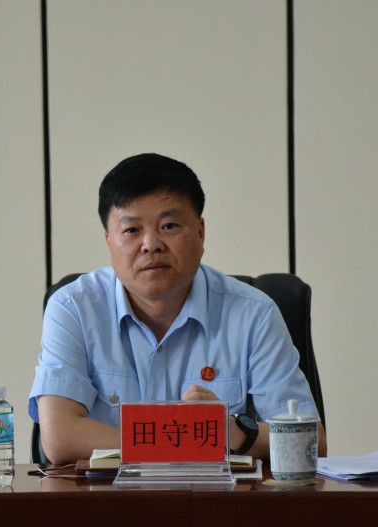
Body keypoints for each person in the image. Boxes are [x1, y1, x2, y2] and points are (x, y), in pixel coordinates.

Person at [29, 153, 326, 464]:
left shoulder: (254, 314)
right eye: (131, 230)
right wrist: (193, 437)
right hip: (106, 494)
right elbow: (60, 438)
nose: (151, 244)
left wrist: (232, 430)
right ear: (108, 241)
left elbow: (311, 442)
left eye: (169, 225)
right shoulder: (73, 308)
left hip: (219, 494)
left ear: (200, 232)